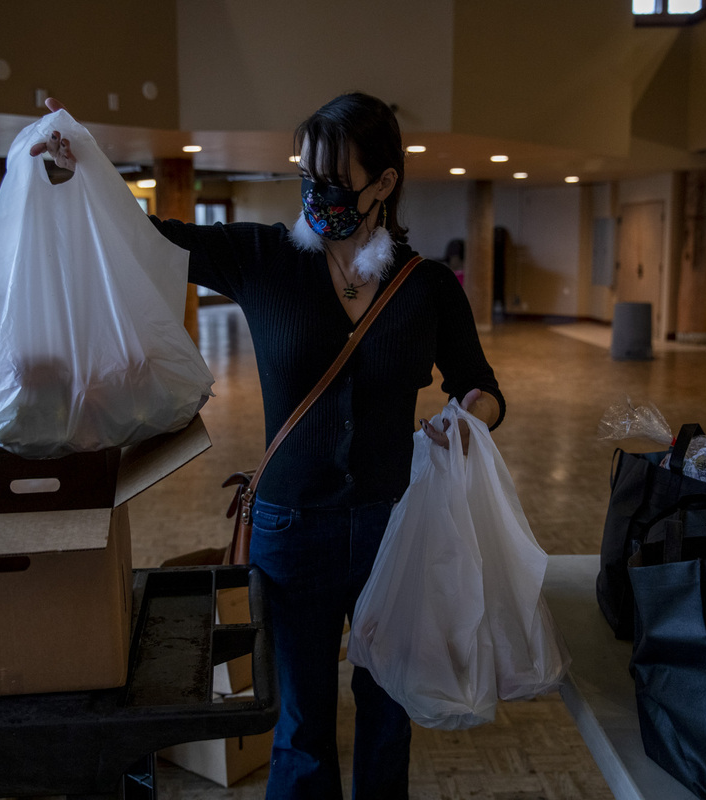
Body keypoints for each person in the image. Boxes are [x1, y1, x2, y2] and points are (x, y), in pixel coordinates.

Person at [34, 92, 505, 799]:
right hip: (291, 529)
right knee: (302, 721)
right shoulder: (263, 257)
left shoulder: (427, 287)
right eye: (306, 178)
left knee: (387, 711)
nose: (316, 195)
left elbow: (480, 386)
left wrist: (469, 418)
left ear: (384, 183)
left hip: (394, 529)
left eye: (334, 181)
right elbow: (145, 239)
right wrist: (79, 173)